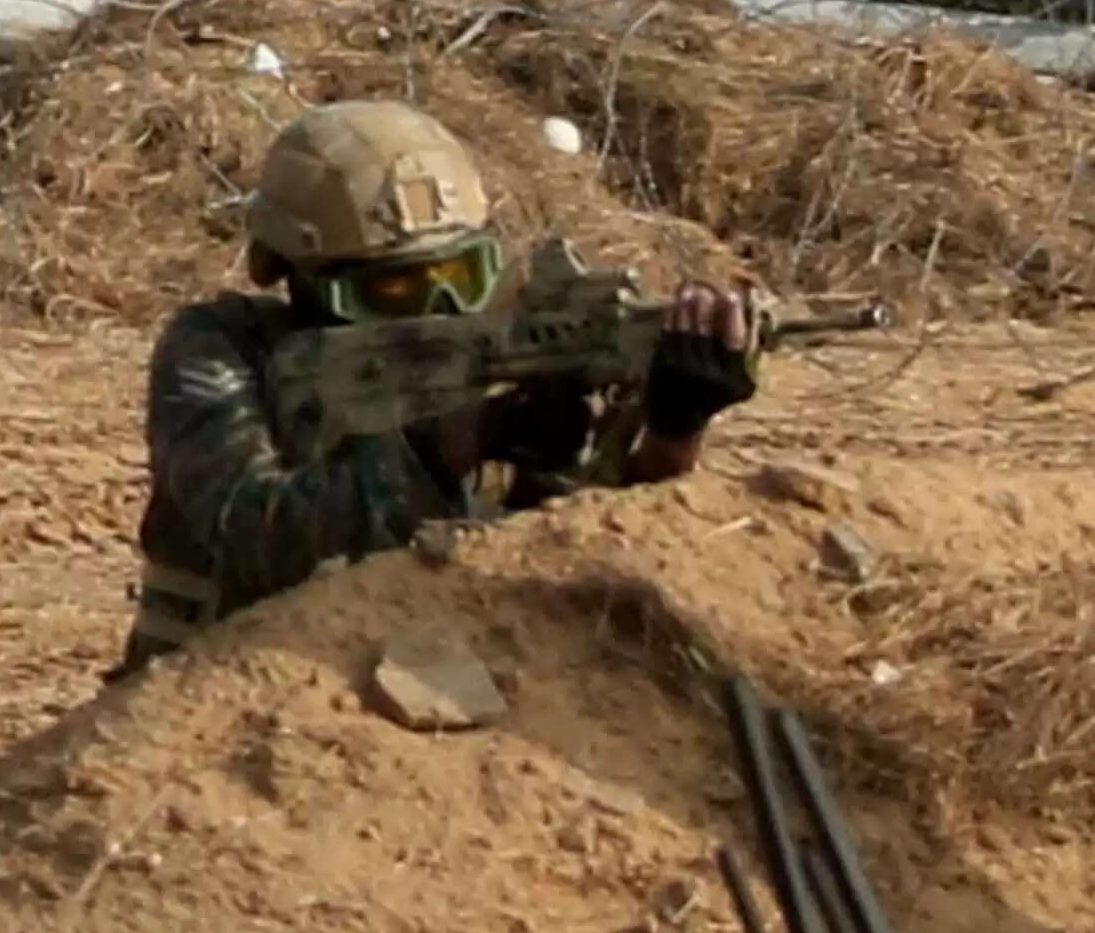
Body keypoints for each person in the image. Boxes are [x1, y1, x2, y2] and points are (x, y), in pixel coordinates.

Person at [123, 100, 758, 672]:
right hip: (221, 691)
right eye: (398, 289)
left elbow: (591, 569)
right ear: (293, 272)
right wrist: (457, 441)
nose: (442, 305)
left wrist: (672, 433)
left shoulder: (502, 345)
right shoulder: (220, 349)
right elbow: (251, 531)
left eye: (461, 274)